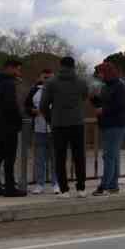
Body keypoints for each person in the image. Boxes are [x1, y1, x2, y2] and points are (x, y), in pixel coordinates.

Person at [39, 55, 88, 197]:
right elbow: (84, 97)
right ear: (74, 66)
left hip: (59, 124)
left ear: (60, 66)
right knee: (79, 156)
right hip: (77, 123)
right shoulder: (81, 82)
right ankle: (81, 189)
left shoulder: (51, 83)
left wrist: (50, 118)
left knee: (60, 157)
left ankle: (64, 189)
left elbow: (43, 105)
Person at [0, 57, 26, 197]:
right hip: (9, 126)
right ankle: (10, 188)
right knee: (9, 157)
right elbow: (11, 105)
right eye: (18, 69)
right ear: (10, 68)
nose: (19, 72)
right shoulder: (8, 83)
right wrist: (19, 120)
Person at [91, 61, 125, 196]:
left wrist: (103, 110)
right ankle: (113, 186)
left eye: (100, 72)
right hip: (107, 125)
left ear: (106, 72)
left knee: (108, 156)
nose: (98, 75)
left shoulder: (119, 87)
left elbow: (121, 106)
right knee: (113, 156)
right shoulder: (105, 86)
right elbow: (100, 103)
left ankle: (104, 186)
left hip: (116, 125)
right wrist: (94, 99)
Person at [24, 67, 55, 194]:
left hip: (55, 129)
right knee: (39, 159)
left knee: (56, 158)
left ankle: (56, 184)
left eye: (49, 77)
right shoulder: (34, 91)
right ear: (40, 77)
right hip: (38, 129)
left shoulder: (58, 90)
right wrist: (33, 111)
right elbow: (26, 106)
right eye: (45, 77)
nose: (47, 80)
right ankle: (39, 184)